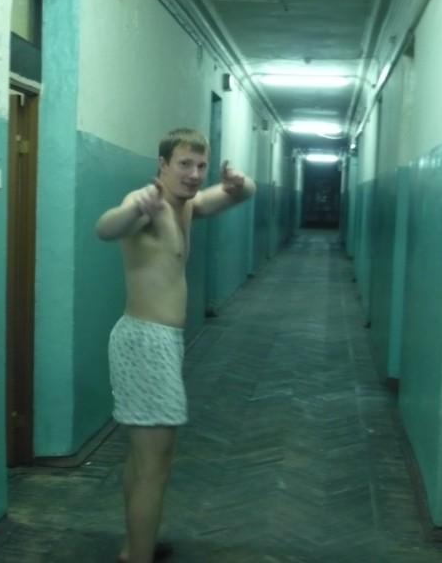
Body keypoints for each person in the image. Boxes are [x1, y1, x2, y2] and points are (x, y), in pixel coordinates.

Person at [95, 127, 255, 563]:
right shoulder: (147, 202)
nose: (194, 174)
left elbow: (240, 194)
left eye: (201, 166)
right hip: (147, 343)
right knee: (155, 464)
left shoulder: (188, 204)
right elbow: (106, 228)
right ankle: (139, 555)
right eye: (184, 164)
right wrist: (135, 209)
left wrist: (239, 182)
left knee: (143, 458)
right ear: (162, 165)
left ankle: (135, 545)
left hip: (156, 342)